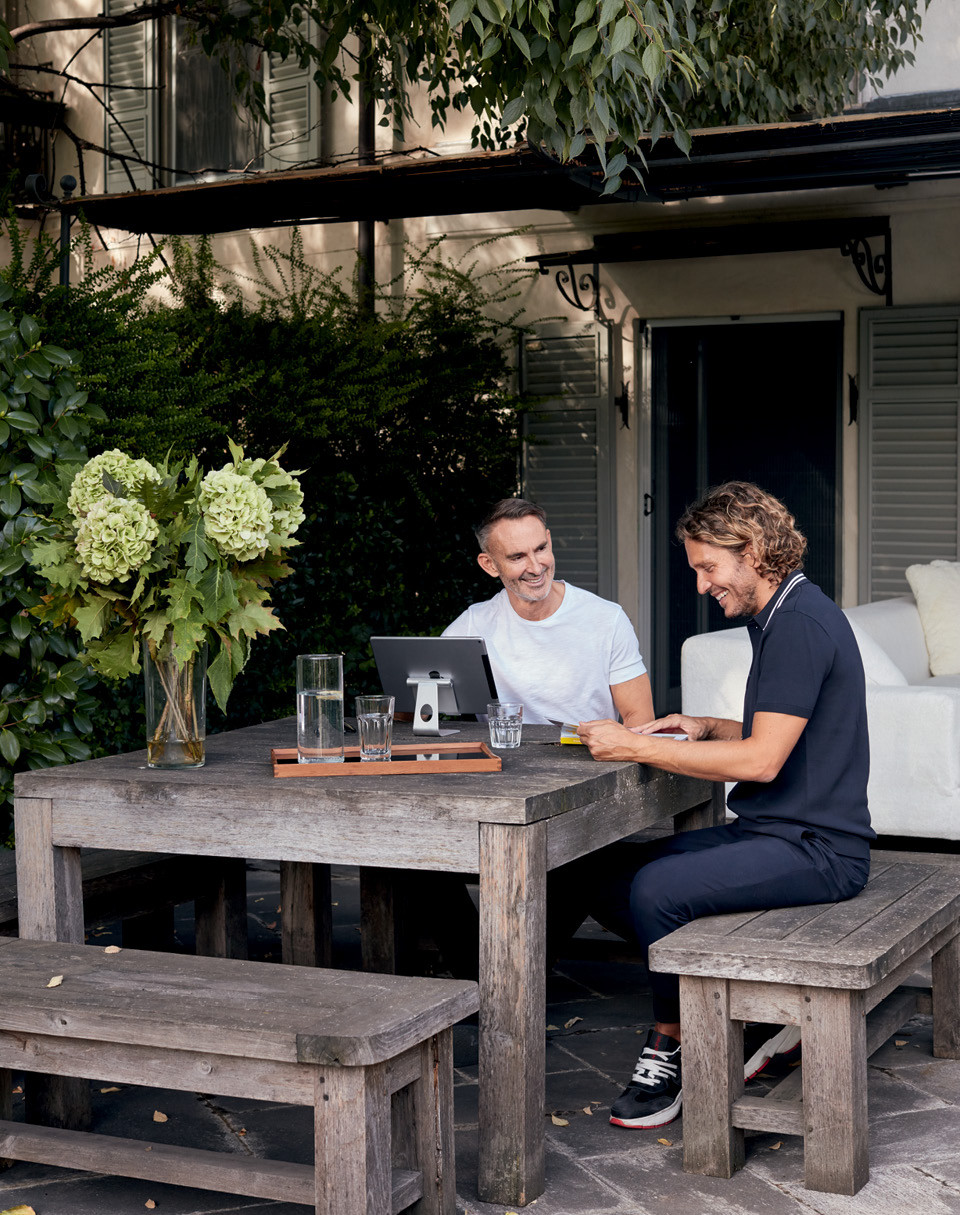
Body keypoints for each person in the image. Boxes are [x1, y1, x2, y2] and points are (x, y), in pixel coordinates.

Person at [578, 481, 874, 1131]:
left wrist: (635, 744)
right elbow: (782, 734)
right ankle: (750, 1010)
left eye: (708, 566)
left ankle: (677, 1042)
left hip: (821, 849)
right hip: (776, 830)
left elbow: (762, 761)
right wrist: (705, 726)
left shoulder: (798, 624)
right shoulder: (783, 614)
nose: (701, 584)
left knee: (657, 889)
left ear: (753, 550)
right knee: (603, 874)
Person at [443, 497, 653, 726]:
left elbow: (639, 717)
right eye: (517, 557)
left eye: (541, 548)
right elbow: (417, 705)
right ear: (489, 565)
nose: (536, 568)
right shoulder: (471, 627)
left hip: (586, 750)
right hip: (502, 749)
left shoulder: (608, 620)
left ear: (549, 541)